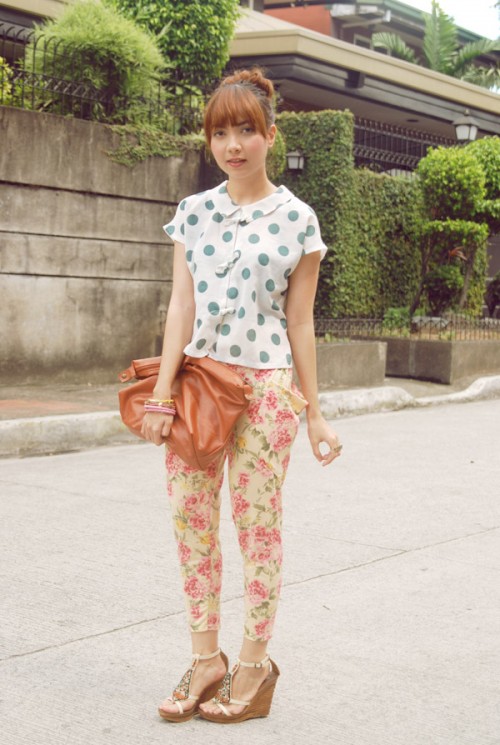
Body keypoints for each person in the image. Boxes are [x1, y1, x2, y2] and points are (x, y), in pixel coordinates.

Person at [141, 67, 342, 724]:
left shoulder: (298, 220)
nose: (232, 145)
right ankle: (206, 659)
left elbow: (300, 322)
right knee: (191, 523)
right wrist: (161, 392)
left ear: (270, 136)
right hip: (199, 385)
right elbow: (180, 305)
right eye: (220, 132)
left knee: (258, 529)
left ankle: (253, 666)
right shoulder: (193, 213)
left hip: (266, 392)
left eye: (246, 131)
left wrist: (315, 413)